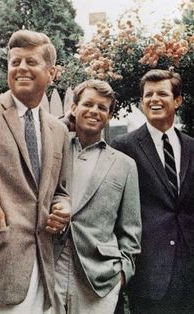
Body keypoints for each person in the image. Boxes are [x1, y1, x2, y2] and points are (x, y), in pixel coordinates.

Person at [0, 29, 70, 314]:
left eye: (31, 62)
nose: (21, 68)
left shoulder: (59, 130)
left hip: (40, 272)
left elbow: (60, 191)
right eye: (15, 62)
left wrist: (62, 208)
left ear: (51, 72)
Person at [52, 79, 141, 314]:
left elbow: (131, 229)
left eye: (102, 108)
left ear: (109, 116)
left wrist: (122, 274)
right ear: (73, 108)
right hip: (51, 268)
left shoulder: (124, 165)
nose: (94, 111)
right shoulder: (54, 150)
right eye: (88, 104)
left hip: (99, 278)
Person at [111, 69, 194, 314]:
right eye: (148, 95)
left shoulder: (191, 146)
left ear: (177, 100)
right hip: (149, 272)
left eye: (162, 94)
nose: (154, 100)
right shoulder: (123, 147)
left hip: (190, 273)